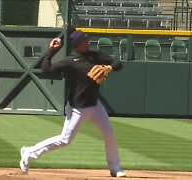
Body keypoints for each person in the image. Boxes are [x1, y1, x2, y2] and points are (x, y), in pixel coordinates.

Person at [19, 30, 126, 178]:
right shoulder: (69, 61)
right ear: (78, 44)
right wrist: (51, 51)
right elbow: (46, 70)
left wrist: (110, 67)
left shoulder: (95, 56)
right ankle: (29, 152)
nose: (88, 42)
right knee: (65, 140)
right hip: (78, 107)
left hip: (94, 105)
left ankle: (115, 167)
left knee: (109, 133)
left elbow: (118, 63)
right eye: (85, 40)